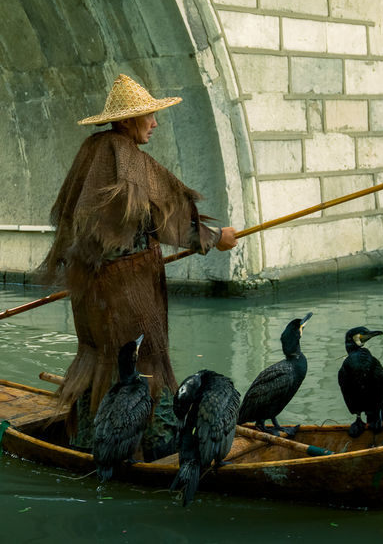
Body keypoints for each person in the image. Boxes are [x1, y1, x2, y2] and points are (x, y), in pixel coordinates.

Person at [39, 74, 237, 455]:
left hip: (92, 292)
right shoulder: (127, 157)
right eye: (149, 116)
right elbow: (160, 214)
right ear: (129, 120)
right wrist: (213, 238)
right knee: (145, 362)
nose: (155, 123)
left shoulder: (92, 151)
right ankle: (160, 446)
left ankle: (85, 441)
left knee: (98, 359)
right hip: (125, 290)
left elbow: (100, 222)